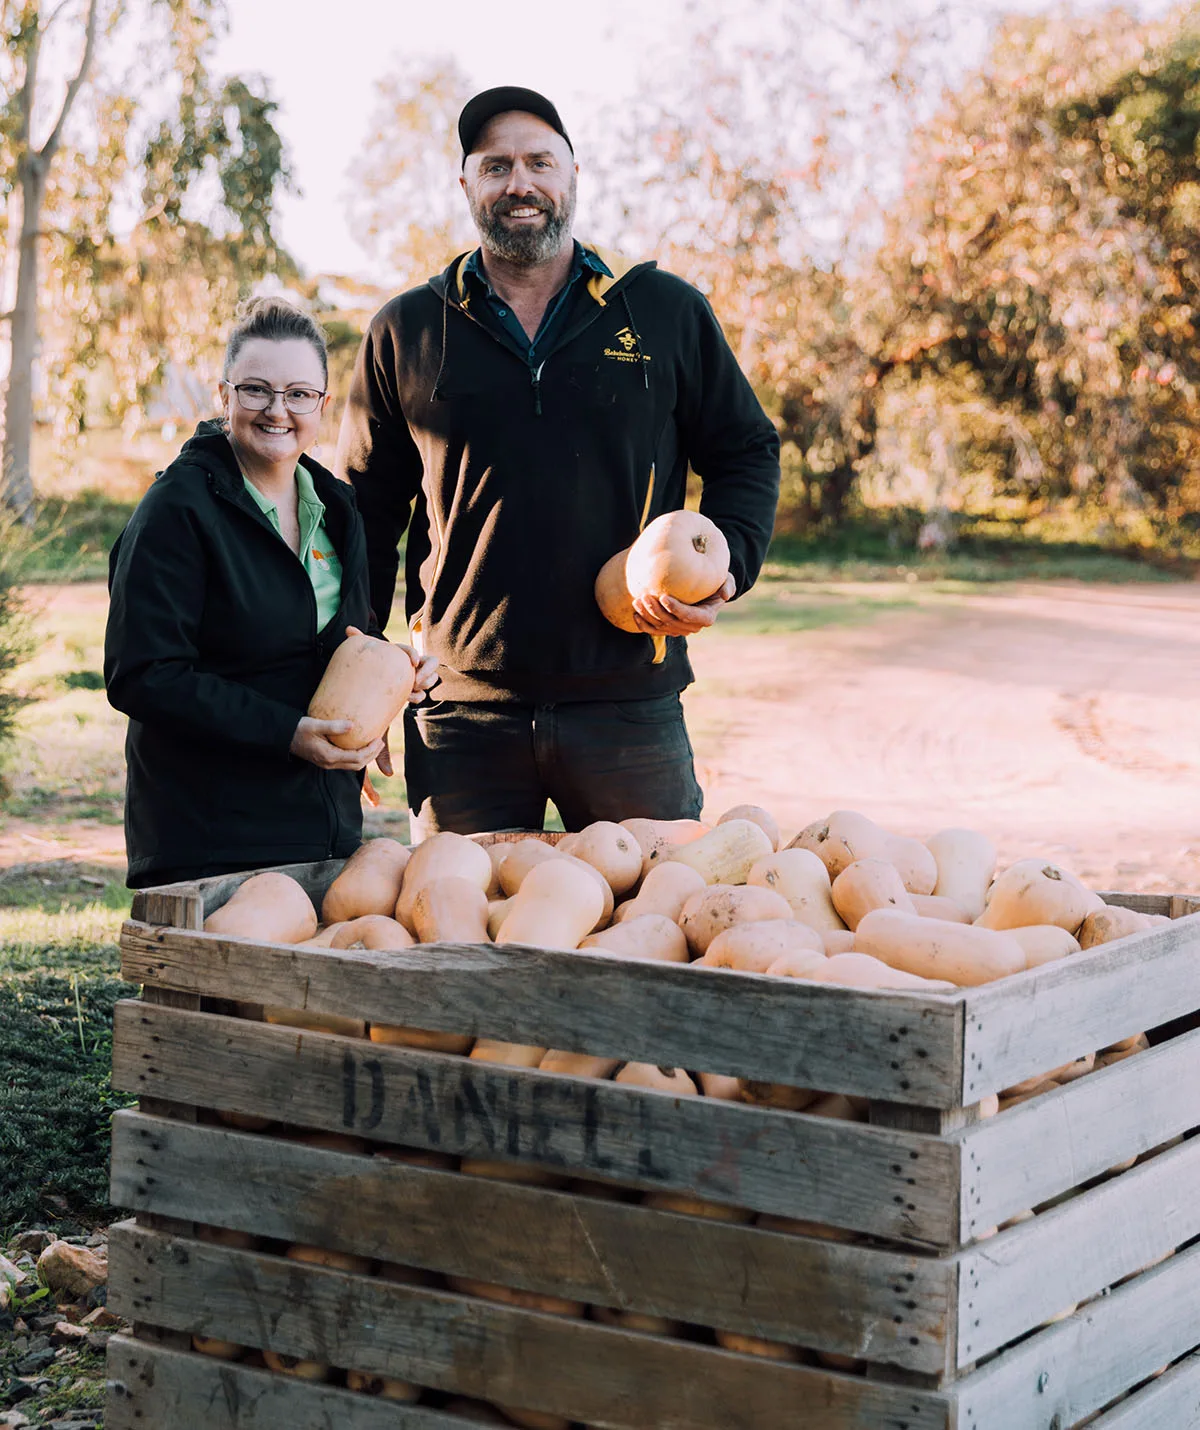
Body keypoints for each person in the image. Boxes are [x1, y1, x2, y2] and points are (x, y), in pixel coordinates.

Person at [337, 86, 780, 837]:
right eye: (497, 165)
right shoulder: (407, 330)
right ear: (467, 184)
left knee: (651, 936)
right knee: (456, 941)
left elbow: (746, 449)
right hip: (458, 713)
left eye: (540, 162)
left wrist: (727, 558)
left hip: (628, 706)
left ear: (572, 176)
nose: (521, 183)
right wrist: (361, 679)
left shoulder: (662, 312)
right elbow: (364, 516)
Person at [105, 296, 436, 888]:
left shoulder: (337, 508)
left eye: (299, 394)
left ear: (323, 405)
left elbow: (345, 640)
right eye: (255, 390)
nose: (277, 411)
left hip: (323, 828)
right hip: (209, 832)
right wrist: (286, 732)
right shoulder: (177, 510)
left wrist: (392, 675)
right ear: (223, 396)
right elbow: (142, 673)